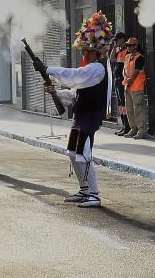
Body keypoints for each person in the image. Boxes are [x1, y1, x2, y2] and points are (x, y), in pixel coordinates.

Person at [35, 39, 111, 208]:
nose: (83, 54)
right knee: (72, 153)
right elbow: (73, 95)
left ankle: (94, 194)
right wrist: (55, 92)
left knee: (83, 154)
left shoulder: (96, 68)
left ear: (94, 51)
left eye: (85, 51)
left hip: (90, 117)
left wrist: (48, 69)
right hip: (80, 116)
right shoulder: (88, 72)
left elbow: (74, 75)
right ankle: (84, 190)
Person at [122, 37, 148, 139]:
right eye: (127, 45)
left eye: (130, 45)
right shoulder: (127, 56)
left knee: (138, 109)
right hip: (128, 86)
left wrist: (129, 81)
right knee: (129, 109)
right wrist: (126, 81)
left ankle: (142, 131)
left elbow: (136, 71)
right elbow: (125, 69)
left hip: (136, 87)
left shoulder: (139, 57)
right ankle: (133, 129)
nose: (128, 47)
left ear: (135, 46)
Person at [108, 32, 131, 136]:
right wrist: (114, 47)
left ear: (122, 39)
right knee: (120, 104)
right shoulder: (118, 50)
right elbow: (112, 59)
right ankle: (124, 126)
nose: (116, 41)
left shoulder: (127, 50)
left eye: (117, 39)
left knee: (124, 104)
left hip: (123, 80)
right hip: (117, 80)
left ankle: (128, 126)